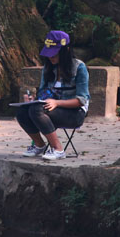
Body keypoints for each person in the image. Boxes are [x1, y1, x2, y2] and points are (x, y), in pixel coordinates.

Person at [16, 30, 90, 160]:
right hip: (50, 110)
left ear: (65, 50)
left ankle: (58, 149)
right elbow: (43, 94)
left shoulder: (79, 67)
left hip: (74, 113)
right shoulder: (48, 68)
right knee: (23, 110)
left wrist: (57, 103)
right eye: (49, 54)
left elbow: (81, 100)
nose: (51, 57)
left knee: (37, 110)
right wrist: (33, 100)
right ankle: (39, 145)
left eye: (55, 54)